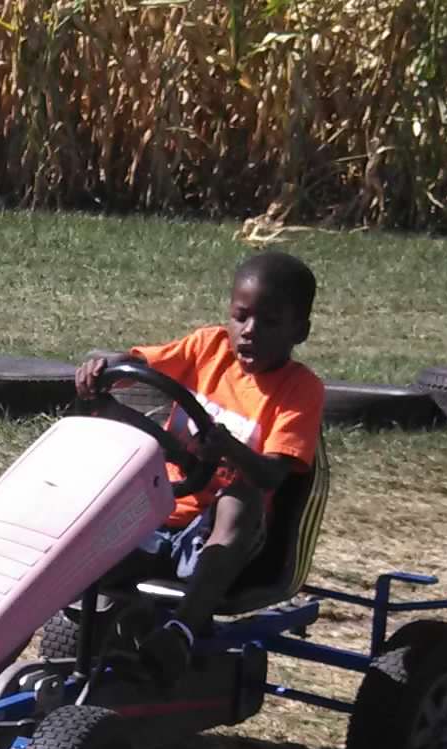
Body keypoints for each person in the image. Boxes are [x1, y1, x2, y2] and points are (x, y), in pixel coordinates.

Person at [70, 249, 326, 675]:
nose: (249, 331)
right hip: (158, 515)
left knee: (241, 494)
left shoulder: (300, 389)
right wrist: (103, 368)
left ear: (300, 331)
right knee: (75, 542)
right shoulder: (208, 347)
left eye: (269, 322)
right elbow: (138, 366)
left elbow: (270, 475)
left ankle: (181, 634)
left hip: (225, 540)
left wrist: (230, 449)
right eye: (240, 316)